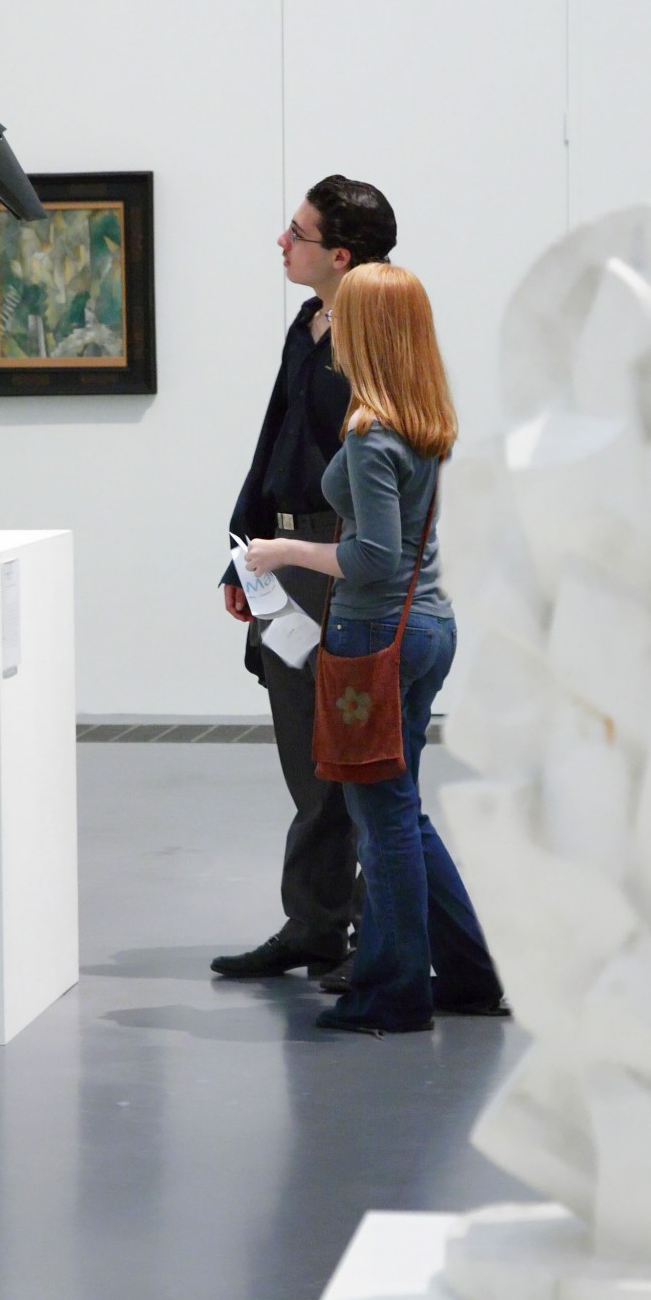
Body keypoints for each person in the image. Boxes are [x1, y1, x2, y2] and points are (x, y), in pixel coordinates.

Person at [244, 261, 508, 1034]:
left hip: (372, 634)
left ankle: (393, 993)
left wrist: (281, 554)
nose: (330, 331)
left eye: (344, 318)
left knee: (381, 817)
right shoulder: (423, 421)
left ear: (367, 332)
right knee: (400, 811)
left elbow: (371, 558)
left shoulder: (367, 433)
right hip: (425, 627)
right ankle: (468, 973)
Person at [211, 177, 398, 989]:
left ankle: (375, 933)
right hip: (282, 551)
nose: (281, 243)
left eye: (296, 232)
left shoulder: (374, 333)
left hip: (339, 558)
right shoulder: (306, 322)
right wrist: (239, 546)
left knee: (352, 760)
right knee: (305, 756)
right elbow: (275, 434)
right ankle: (316, 925)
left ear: (340, 254)